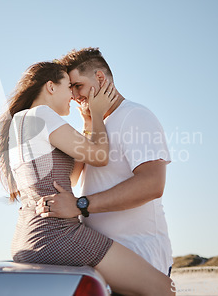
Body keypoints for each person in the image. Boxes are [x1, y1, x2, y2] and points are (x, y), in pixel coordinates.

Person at [0, 61, 174, 296]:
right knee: (164, 290)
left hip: (26, 237)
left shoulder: (21, 121)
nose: (74, 95)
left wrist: (88, 121)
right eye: (70, 87)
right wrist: (97, 114)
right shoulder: (43, 115)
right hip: (59, 234)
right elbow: (99, 156)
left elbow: (73, 176)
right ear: (50, 87)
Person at [36, 47, 174, 277]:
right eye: (70, 89)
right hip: (101, 260)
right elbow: (72, 178)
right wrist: (89, 124)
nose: (73, 95)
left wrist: (81, 205)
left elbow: (153, 184)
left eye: (77, 86)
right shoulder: (96, 125)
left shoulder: (135, 116)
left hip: (139, 256)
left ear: (100, 77)